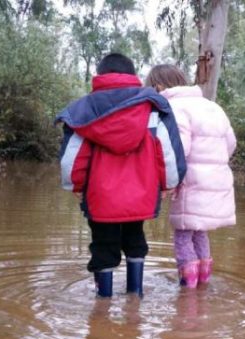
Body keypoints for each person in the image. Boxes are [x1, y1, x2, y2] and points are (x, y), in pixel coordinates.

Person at [56, 54, 186, 297]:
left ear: (100, 75)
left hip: (100, 196)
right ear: (132, 75)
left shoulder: (85, 110)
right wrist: (169, 183)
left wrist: (75, 184)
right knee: (135, 238)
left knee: (103, 246)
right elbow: (167, 151)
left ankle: (103, 305)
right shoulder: (152, 107)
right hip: (141, 194)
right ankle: (135, 297)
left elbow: (73, 158)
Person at [145, 64, 236, 288]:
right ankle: (203, 285)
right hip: (216, 180)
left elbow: (178, 150)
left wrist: (166, 181)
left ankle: (188, 291)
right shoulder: (212, 107)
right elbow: (231, 144)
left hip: (190, 182)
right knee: (199, 232)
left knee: (183, 235)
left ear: (158, 87)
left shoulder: (174, 108)